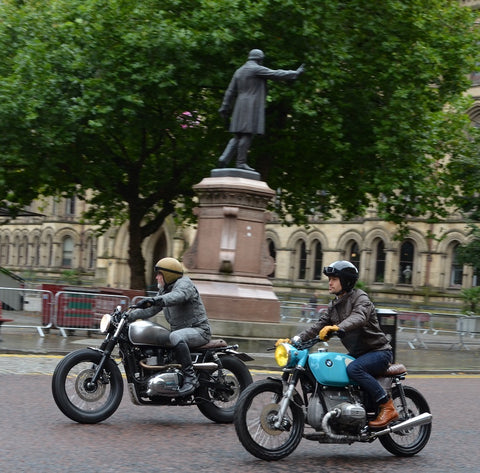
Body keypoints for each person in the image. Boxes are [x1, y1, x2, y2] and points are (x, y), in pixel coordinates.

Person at [276, 260, 399, 429]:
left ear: (346, 281)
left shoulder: (361, 298)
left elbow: (359, 317)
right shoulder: (334, 306)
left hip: (379, 352)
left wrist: (338, 327)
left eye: (334, 278)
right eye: (329, 278)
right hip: (358, 354)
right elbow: (317, 327)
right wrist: (294, 341)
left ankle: (387, 406)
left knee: (354, 369)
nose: (330, 282)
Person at [128, 257, 211, 396]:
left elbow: (178, 296)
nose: (156, 277)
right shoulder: (165, 290)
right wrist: (127, 316)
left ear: (168, 275)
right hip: (181, 333)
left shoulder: (185, 284)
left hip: (199, 331)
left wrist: (154, 300)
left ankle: (190, 378)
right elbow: (151, 310)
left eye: (159, 274)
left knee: (174, 335)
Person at [217, 49, 304, 171]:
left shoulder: (239, 71)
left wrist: (224, 107)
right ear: (260, 59)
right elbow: (276, 74)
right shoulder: (255, 69)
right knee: (247, 134)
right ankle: (241, 163)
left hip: (240, 105)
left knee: (237, 135)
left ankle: (224, 158)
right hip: (251, 105)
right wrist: (295, 73)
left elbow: (230, 91)